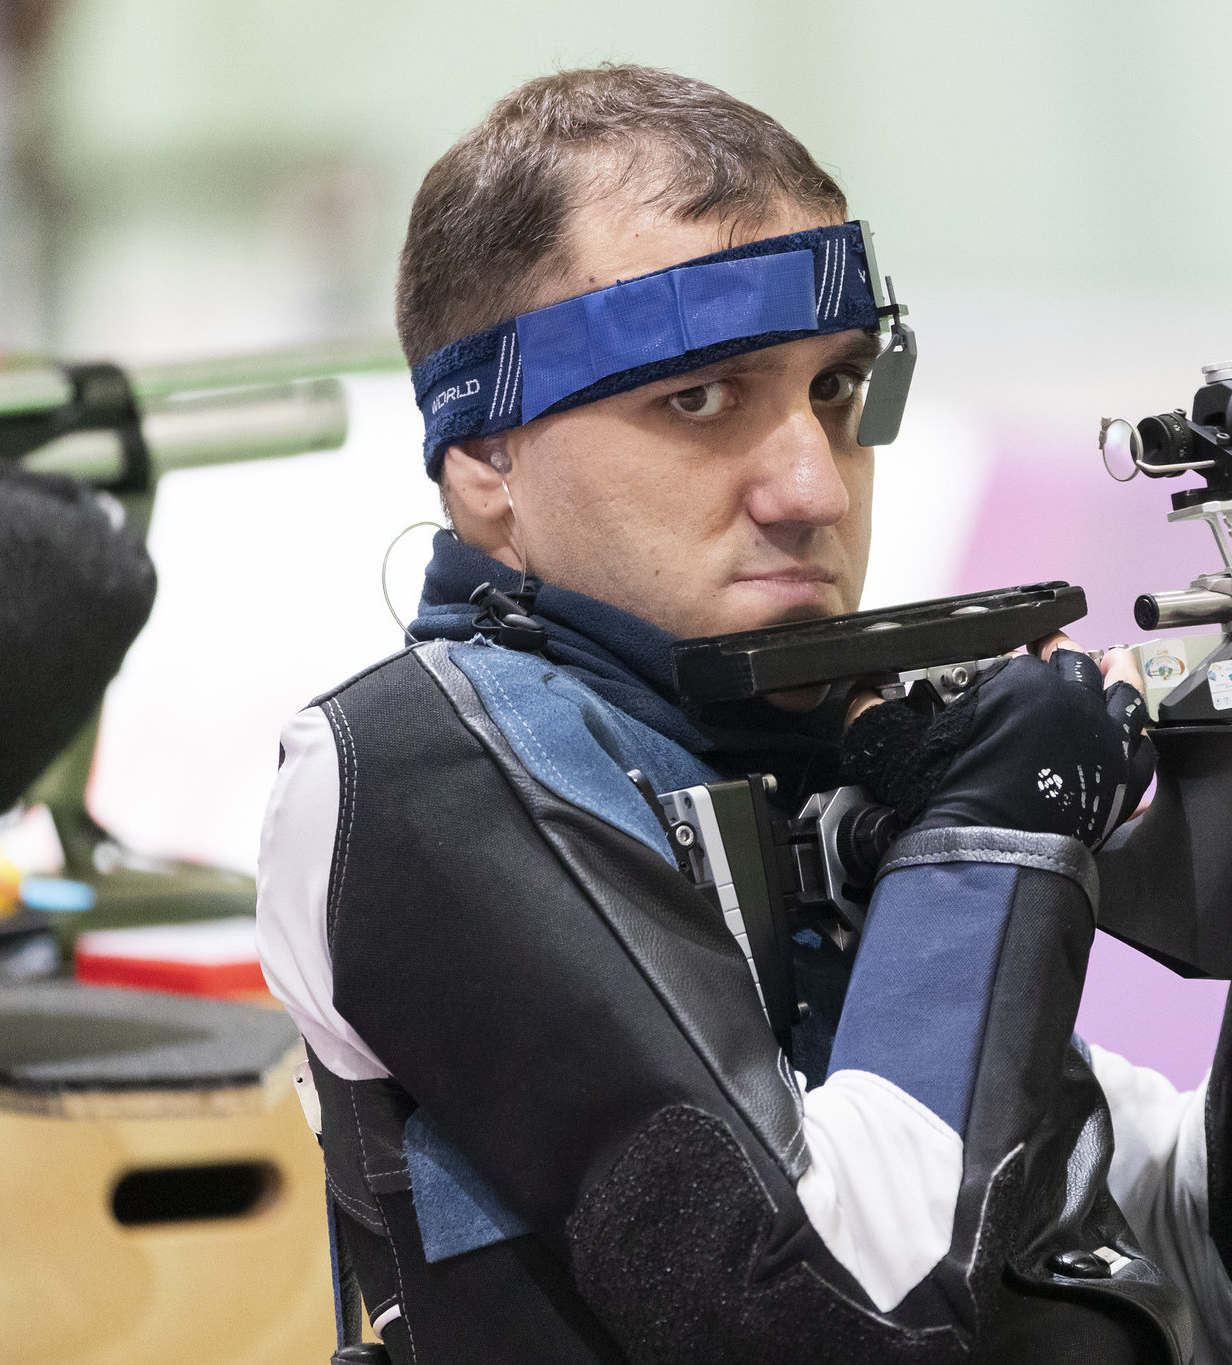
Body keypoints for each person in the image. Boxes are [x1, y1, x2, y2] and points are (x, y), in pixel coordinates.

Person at [256, 65, 1231, 1363]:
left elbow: (1150, 1228)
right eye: (701, 399)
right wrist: (994, 836)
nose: (811, 485)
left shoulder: (807, 733)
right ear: (485, 457)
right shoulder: (417, 773)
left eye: (837, 388)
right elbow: (819, 1307)